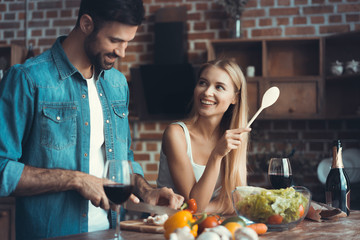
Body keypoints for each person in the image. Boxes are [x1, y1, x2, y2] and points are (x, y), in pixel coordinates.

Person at [0, 0, 183, 239]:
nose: (122, 52)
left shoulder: (117, 84)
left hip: (111, 232)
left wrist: (146, 191)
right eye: (115, 40)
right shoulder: (28, 80)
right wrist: (76, 180)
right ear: (86, 24)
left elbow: (123, 160)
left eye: (127, 42)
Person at [157, 58, 251, 214]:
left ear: (235, 98)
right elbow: (196, 205)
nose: (207, 92)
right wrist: (216, 156)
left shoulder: (231, 138)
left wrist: (203, 208)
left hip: (204, 227)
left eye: (219, 87)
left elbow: (237, 202)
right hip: (166, 228)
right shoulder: (176, 134)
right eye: (203, 83)